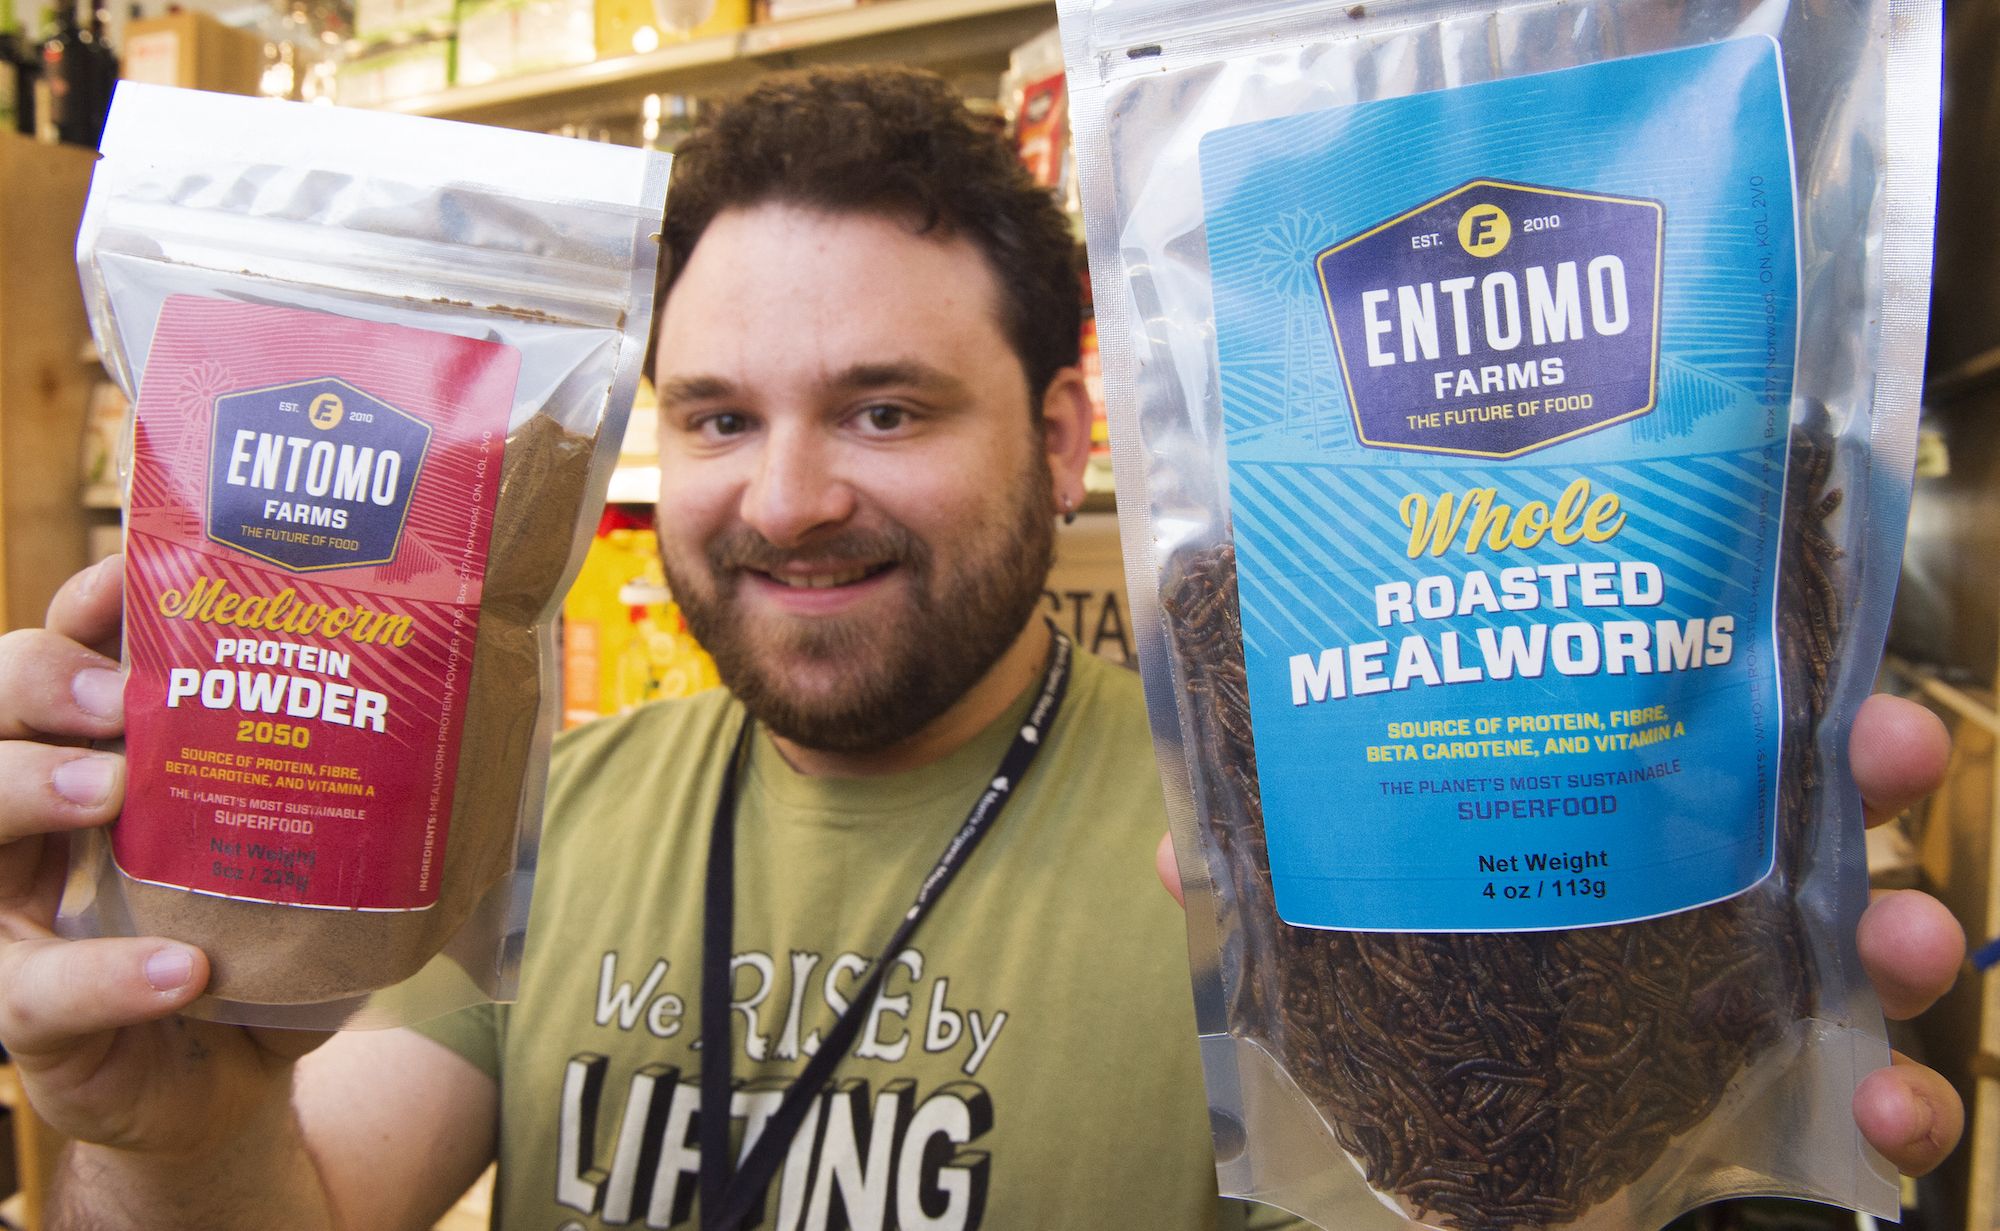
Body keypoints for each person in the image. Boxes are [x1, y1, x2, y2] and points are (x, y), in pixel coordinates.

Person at [0, 67, 1964, 1231]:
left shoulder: (1267, 859)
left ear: (1065, 436)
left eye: (885, 408)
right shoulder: (541, 814)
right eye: (715, 416)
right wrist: (179, 1129)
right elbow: (301, 1198)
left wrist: (1605, 1119)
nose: (785, 500)